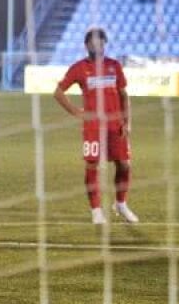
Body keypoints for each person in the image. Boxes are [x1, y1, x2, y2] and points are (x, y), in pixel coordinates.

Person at [53, 27, 137, 225]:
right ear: (87, 45)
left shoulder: (114, 66)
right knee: (93, 166)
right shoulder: (79, 68)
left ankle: (121, 204)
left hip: (115, 125)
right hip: (93, 127)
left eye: (100, 42)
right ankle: (96, 211)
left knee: (124, 165)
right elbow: (58, 92)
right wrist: (76, 111)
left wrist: (127, 121)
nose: (97, 46)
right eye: (92, 42)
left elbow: (124, 96)